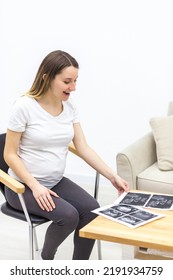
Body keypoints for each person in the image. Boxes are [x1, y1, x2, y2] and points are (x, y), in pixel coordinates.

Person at [4, 50, 129, 260]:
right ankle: (47, 262)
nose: (73, 88)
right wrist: (35, 186)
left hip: (54, 182)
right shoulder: (24, 106)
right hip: (23, 187)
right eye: (67, 81)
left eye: (75, 81)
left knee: (91, 211)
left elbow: (83, 147)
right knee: (68, 216)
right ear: (47, 77)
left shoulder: (69, 108)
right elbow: (9, 154)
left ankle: (78, 268)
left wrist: (112, 176)